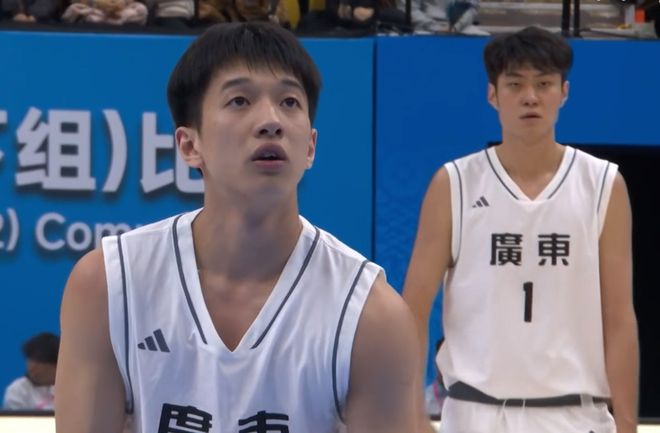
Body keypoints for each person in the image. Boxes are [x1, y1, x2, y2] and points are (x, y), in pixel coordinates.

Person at [55, 22, 419, 433]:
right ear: (189, 145)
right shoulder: (109, 284)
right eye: (240, 100)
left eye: (289, 102)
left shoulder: (371, 316)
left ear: (310, 147)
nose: (271, 121)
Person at [403, 26, 638, 433]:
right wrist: (410, 412)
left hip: (575, 415)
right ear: (492, 94)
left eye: (543, 84)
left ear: (564, 92)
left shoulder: (603, 184)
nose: (530, 97)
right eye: (515, 84)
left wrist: (628, 423)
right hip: (475, 413)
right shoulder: (454, 183)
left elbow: (618, 317)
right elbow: (414, 309)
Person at [3, 332, 59, 410]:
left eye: (39, 362)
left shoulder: (69, 388)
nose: (32, 368)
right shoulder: (17, 390)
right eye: (30, 360)